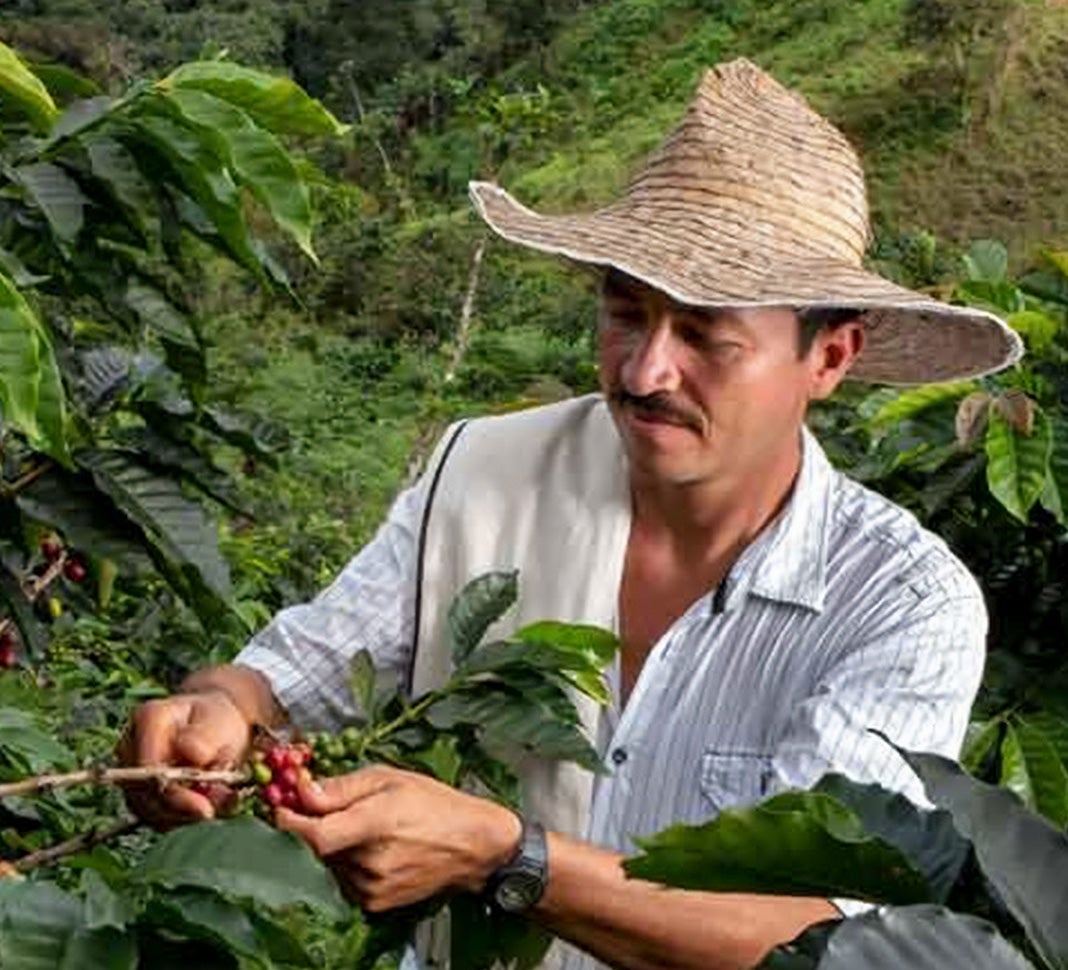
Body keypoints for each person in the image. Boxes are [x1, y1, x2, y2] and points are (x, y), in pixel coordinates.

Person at [119, 58, 1022, 970]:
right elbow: (286, 677)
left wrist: (508, 858)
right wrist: (212, 712)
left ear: (829, 357)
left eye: (707, 337)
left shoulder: (903, 606)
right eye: (625, 315)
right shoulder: (483, 473)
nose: (644, 372)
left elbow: (818, 936)